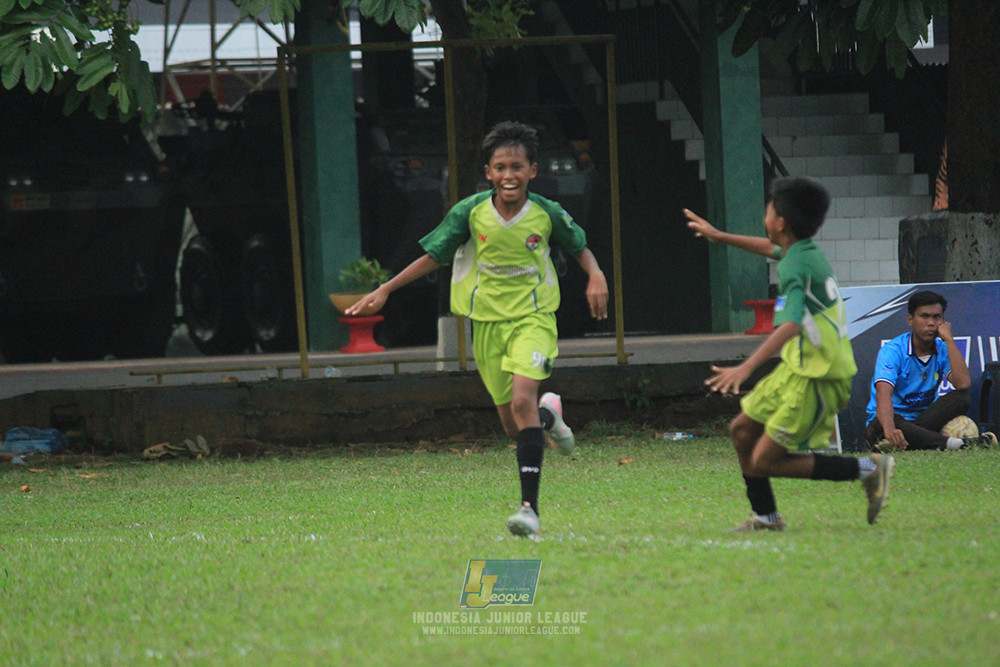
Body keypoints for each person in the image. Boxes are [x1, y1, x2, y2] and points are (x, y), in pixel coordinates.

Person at [346, 121, 609, 538]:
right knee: (514, 424)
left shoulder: (546, 213)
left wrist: (596, 276)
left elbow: (579, 246)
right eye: (500, 167)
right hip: (485, 325)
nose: (509, 175)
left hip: (534, 320)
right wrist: (386, 289)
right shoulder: (469, 213)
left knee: (522, 398)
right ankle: (549, 414)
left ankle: (529, 510)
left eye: (518, 167)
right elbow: (433, 255)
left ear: (532, 171)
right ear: (488, 172)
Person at [684, 176, 894, 531]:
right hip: (798, 369)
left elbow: (789, 325)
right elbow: (770, 249)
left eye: (768, 209)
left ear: (779, 222)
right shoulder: (802, 251)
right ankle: (767, 518)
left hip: (819, 376)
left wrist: (745, 368)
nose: (764, 215)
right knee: (741, 432)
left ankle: (869, 469)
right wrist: (719, 236)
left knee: (763, 460)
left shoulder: (796, 267)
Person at [864, 290, 997, 451]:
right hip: (886, 423)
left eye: (937, 317)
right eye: (924, 316)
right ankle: (959, 445)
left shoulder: (942, 348)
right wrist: (890, 430)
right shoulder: (893, 351)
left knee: (962, 398)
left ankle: (910, 441)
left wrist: (949, 339)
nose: (931, 323)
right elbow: (883, 395)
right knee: (888, 422)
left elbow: (962, 384)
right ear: (910, 320)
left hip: (924, 421)